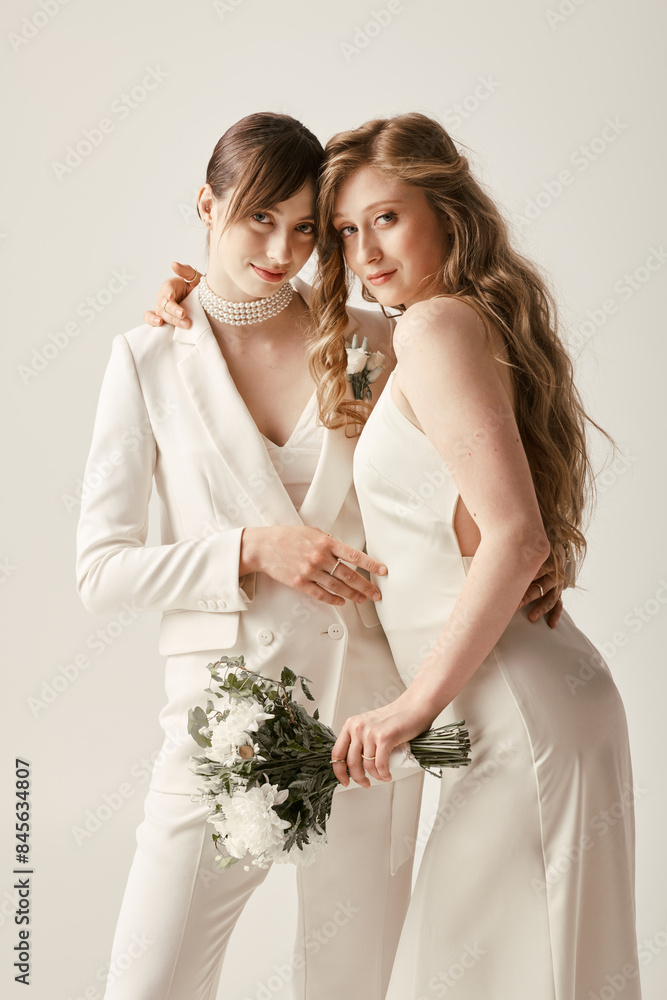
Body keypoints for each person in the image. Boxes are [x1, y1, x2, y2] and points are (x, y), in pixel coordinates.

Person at [112, 113, 563, 1000]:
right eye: (255, 219)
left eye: (306, 227)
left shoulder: (371, 339)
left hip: (369, 724)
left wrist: (532, 545)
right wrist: (248, 549)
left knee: (348, 987)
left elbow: (480, 441)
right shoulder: (149, 358)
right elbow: (102, 566)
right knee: (145, 983)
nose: (282, 249)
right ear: (206, 206)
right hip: (220, 726)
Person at [308, 113, 642, 999]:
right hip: (513, 704)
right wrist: (194, 302)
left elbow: (518, 536)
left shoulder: (433, 330)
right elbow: (307, 322)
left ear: (445, 211)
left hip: (511, 710)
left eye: (385, 217)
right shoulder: (433, 327)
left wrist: (410, 708)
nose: (364, 251)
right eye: (344, 230)